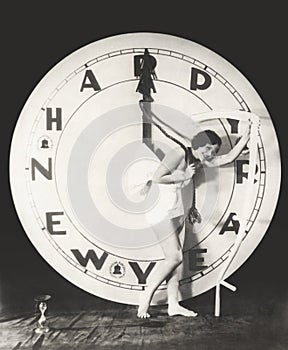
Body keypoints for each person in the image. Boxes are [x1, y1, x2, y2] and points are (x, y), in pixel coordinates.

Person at [137, 121, 253, 318]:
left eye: (213, 151)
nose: (211, 155)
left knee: (174, 261)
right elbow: (157, 178)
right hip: (158, 207)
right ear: (200, 144)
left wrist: (248, 136)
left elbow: (228, 158)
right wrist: (182, 175)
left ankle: (173, 304)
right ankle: (146, 297)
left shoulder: (198, 159)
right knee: (174, 257)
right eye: (209, 149)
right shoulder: (180, 153)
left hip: (174, 208)